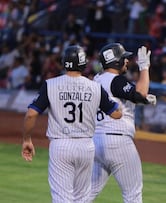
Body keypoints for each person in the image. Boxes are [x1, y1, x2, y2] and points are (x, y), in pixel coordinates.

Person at [21, 45, 122, 203]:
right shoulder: (95, 87)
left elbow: (31, 114)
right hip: (86, 147)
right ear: (84, 64)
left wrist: (27, 140)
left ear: (64, 62)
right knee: (81, 199)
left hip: (61, 145)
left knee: (62, 198)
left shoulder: (50, 84)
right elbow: (116, 113)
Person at [88, 43, 156, 203]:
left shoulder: (95, 80)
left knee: (87, 193)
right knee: (133, 194)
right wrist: (144, 67)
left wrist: (141, 99)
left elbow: (133, 96)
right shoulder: (115, 80)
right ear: (116, 61)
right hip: (117, 140)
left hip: (96, 141)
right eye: (124, 58)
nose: (127, 61)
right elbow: (140, 92)